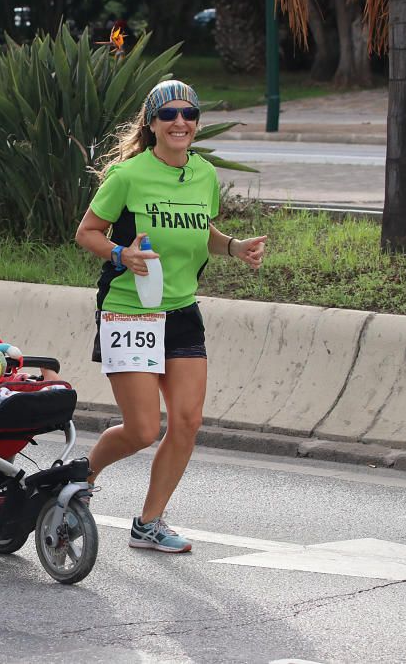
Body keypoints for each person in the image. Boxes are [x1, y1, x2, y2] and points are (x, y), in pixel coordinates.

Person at [75, 80, 266, 553]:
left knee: (187, 421)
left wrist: (233, 247)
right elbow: (87, 232)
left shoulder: (202, 174)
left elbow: (202, 231)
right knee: (142, 430)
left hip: (181, 310)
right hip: (129, 312)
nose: (180, 122)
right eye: (169, 114)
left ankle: (150, 522)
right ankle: (80, 478)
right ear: (152, 124)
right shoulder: (128, 176)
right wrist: (122, 254)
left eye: (189, 114)